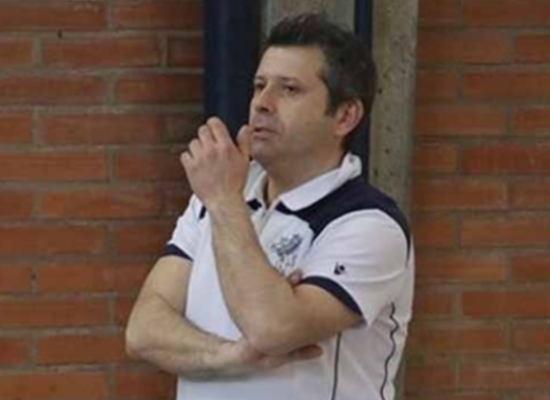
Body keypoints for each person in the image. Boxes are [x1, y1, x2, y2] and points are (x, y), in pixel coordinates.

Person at [125, 13, 414, 400]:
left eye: (289, 89)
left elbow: (271, 329)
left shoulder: (369, 223)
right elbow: (143, 330)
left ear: (345, 116)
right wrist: (229, 357)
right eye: (259, 86)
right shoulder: (220, 193)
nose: (262, 103)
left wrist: (225, 202)